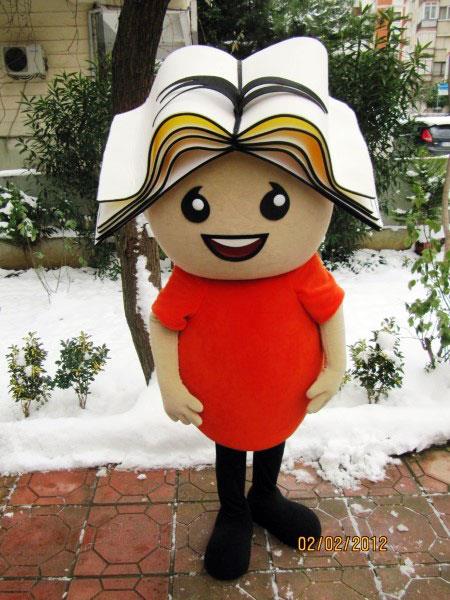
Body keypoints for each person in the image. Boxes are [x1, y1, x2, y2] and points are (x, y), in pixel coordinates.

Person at [95, 37, 381, 580]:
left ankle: (265, 496)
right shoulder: (194, 278)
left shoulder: (301, 269)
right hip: (223, 400)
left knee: (272, 438)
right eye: (196, 204)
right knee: (231, 447)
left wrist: (334, 366)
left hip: (282, 393)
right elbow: (164, 323)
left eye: (276, 202)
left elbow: (329, 311)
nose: (234, 225)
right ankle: (234, 510)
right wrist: (171, 386)